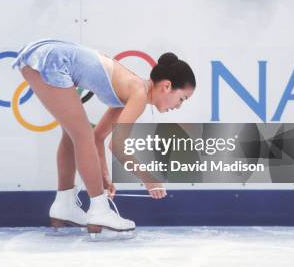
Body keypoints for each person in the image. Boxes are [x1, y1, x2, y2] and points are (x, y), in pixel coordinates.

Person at [12, 40, 196, 234]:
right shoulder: (139, 94)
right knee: (81, 134)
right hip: (52, 61)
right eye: (181, 99)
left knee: (73, 133)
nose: (178, 106)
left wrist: (105, 176)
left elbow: (99, 137)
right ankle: (99, 209)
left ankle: (64, 204)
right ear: (166, 86)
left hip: (47, 58)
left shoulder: (130, 92)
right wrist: (148, 178)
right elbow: (117, 146)